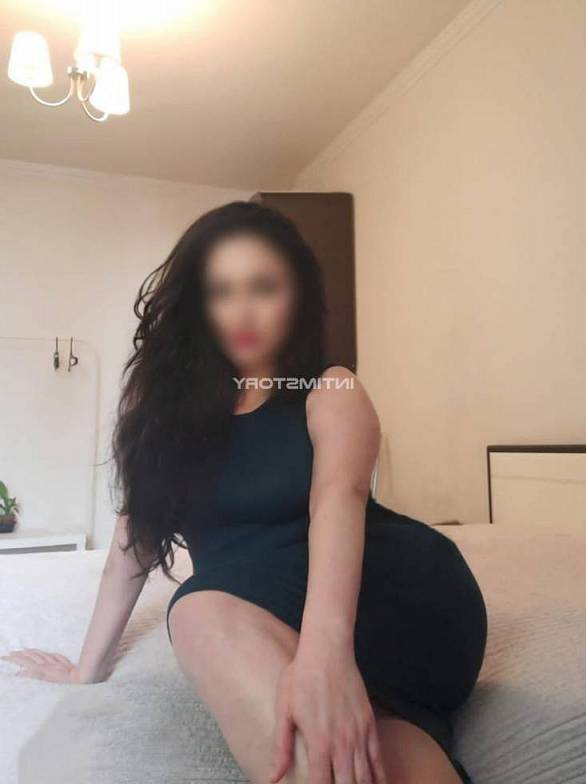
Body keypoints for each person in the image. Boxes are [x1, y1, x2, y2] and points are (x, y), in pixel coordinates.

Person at [3, 201, 487, 784]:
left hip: (392, 595)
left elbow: (338, 500)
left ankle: (345, 685)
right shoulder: (158, 414)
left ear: (296, 298)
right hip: (264, 614)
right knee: (219, 623)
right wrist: (87, 668)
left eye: (264, 286)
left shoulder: (329, 389)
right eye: (222, 291)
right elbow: (133, 543)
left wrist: (325, 655)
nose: (243, 311)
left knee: (198, 611)